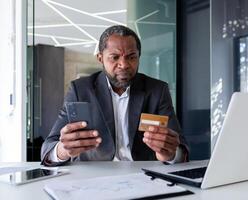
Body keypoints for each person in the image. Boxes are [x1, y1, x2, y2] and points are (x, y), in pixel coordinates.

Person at [41, 25, 189, 166]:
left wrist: (170, 154)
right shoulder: (80, 89)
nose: (124, 64)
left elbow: (181, 149)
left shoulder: (157, 90)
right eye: (115, 57)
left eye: (131, 57)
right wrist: (62, 150)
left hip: (143, 175)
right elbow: (47, 149)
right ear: (100, 58)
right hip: (94, 176)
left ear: (139, 57)